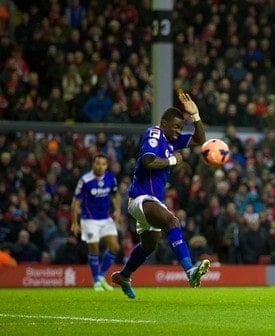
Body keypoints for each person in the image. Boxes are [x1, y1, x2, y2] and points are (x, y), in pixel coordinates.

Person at [111, 89, 210, 299]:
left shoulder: (172, 140)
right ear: (163, 124)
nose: (177, 131)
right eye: (175, 127)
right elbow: (148, 161)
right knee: (172, 222)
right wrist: (174, 161)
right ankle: (190, 270)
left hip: (153, 201)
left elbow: (200, 139)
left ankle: (124, 275)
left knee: (149, 245)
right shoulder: (154, 134)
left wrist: (195, 116)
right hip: (140, 198)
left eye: (180, 128)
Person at [71, 153, 121, 291]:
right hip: (89, 219)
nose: (100, 166)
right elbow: (76, 201)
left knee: (114, 247)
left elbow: (115, 194)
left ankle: (100, 275)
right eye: (98, 163)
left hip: (105, 218)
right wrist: (74, 222)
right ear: (93, 164)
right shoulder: (85, 180)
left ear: (107, 166)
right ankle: (96, 282)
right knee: (94, 249)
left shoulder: (110, 178)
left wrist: (117, 210)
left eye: (103, 164)